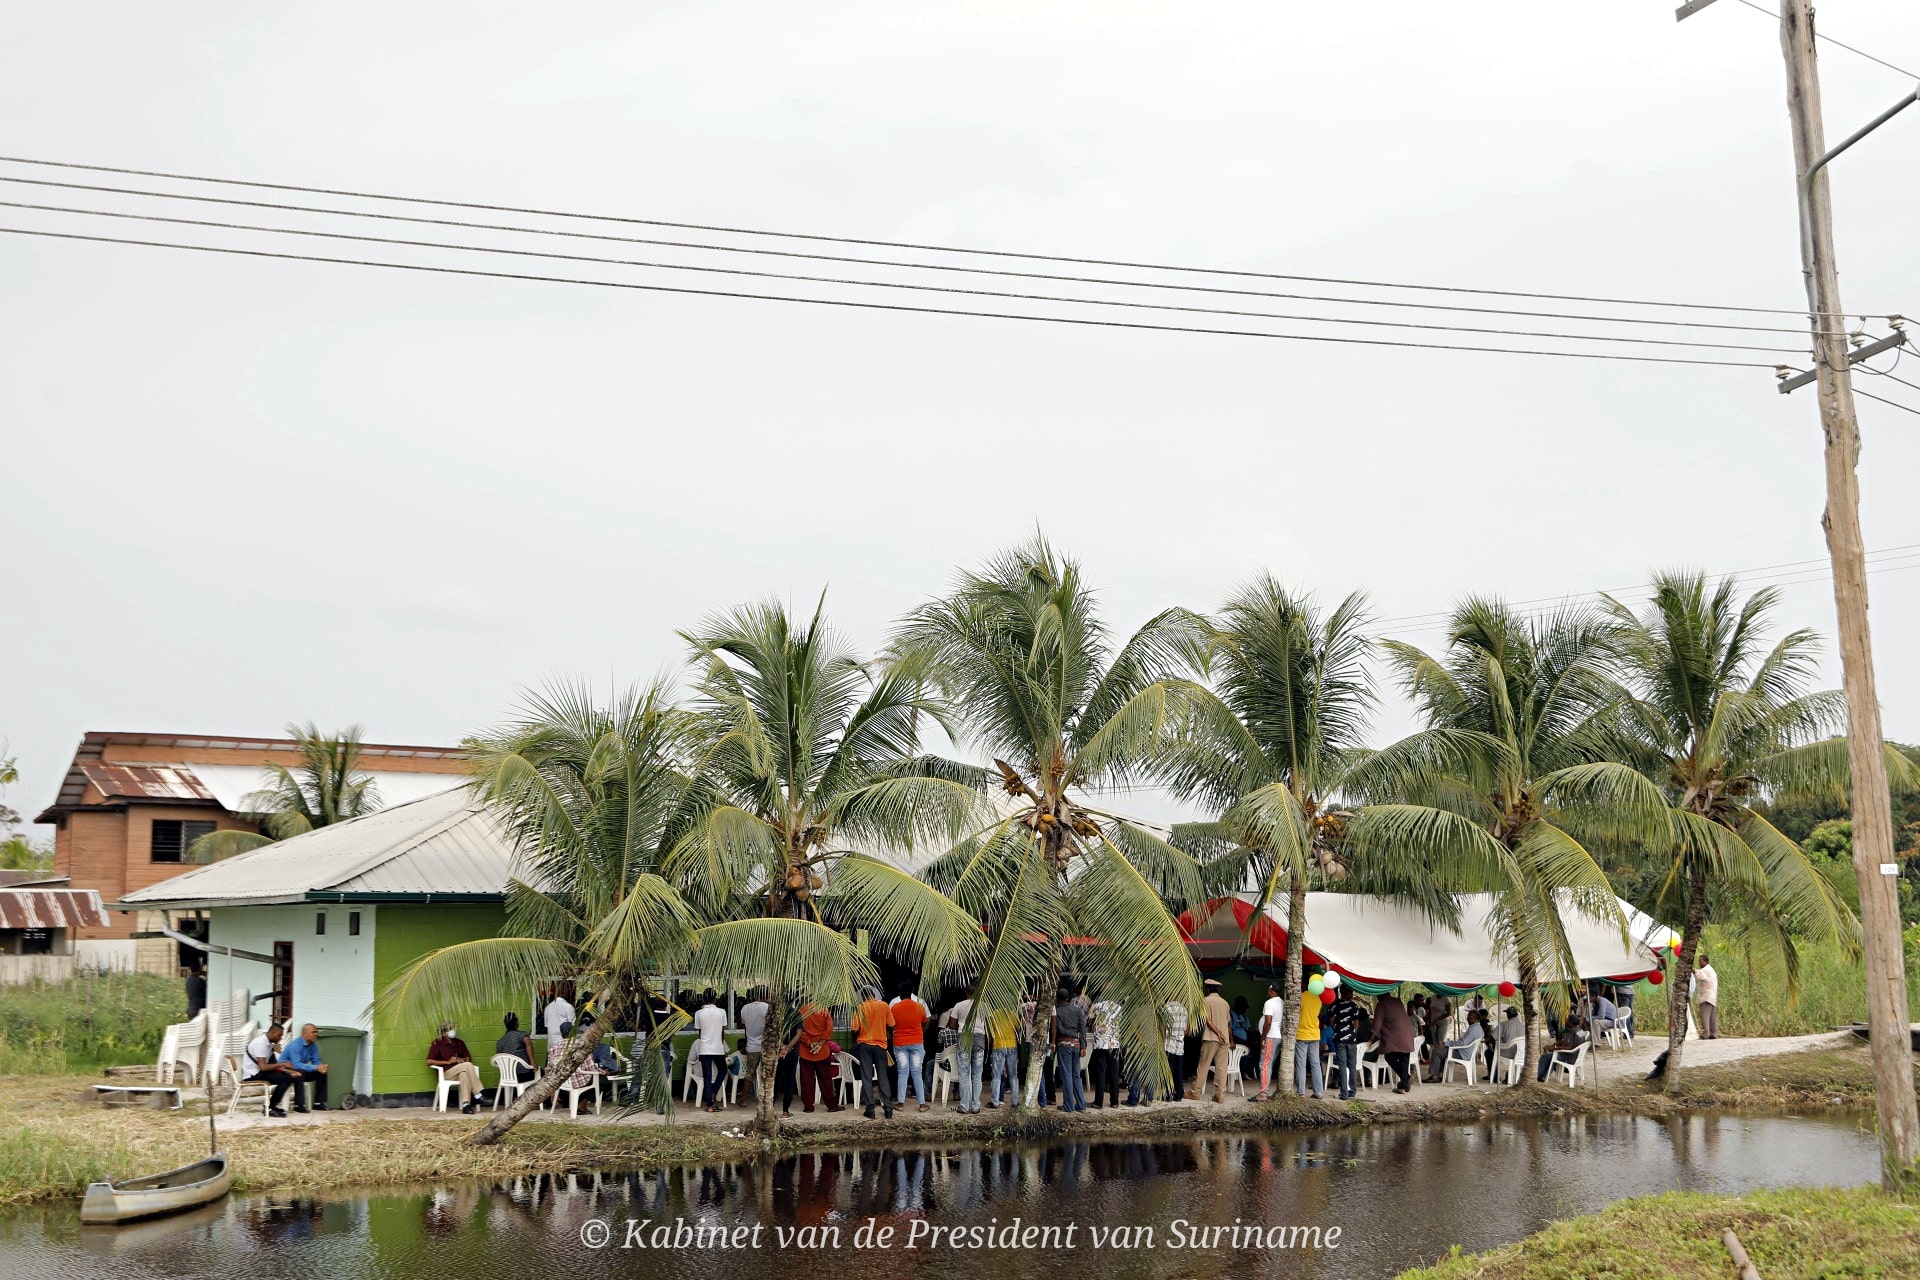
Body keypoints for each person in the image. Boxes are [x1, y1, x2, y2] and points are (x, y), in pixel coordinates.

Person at [1187, 978, 1232, 1104]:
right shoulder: (1225, 1003)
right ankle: (1220, 1095)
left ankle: (1195, 1092)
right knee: (1222, 1067)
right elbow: (1228, 1023)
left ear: (1207, 989)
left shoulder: (1205, 1001)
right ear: (1218, 990)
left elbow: (1206, 1020)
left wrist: (1217, 1032)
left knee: (1204, 1065)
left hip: (1211, 1037)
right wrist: (1225, 1036)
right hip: (1225, 1039)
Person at [853, 986, 895, 1119]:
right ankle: (888, 1108)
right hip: (880, 1045)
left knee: (866, 1076)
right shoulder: (884, 1005)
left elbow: (854, 1029)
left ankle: (870, 1109)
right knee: (883, 1076)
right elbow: (892, 1024)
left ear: (863, 997)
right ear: (873, 995)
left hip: (864, 1045)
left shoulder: (860, 1008)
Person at [427, 1021, 485, 1114]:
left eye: (453, 1029)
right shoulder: (437, 1043)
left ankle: (466, 1105)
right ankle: (477, 1094)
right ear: (443, 1032)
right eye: (450, 1029)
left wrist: (461, 1060)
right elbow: (429, 1061)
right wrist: (448, 1061)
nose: (453, 1031)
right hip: (446, 1072)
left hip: (460, 1069)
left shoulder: (459, 1042)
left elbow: (468, 1058)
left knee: (464, 1074)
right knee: (468, 1066)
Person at [943, 995, 988, 1114]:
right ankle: (976, 1106)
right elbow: (988, 1025)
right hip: (979, 1040)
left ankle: (963, 1106)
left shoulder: (959, 1005)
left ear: (966, 992)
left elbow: (951, 1025)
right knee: (977, 1075)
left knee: (963, 1074)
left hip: (964, 1039)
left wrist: (961, 1026)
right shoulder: (983, 1005)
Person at [796, 1002, 841, 1113]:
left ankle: (808, 1106)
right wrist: (820, 1043)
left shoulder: (801, 1010)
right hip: (823, 1050)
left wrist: (810, 1043)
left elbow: (800, 1032)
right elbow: (829, 1028)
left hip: (806, 1051)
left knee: (806, 1080)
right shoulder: (823, 1009)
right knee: (826, 1079)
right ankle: (831, 1105)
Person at [890, 990, 929, 1112]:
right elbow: (925, 1021)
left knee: (902, 1073)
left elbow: (891, 1024)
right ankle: (922, 1104)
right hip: (916, 1042)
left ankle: (900, 1104)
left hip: (900, 1043)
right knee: (917, 1073)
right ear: (911, 993)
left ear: (900, 995)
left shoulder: (895, 1007)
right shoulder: (919, 1006)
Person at [693, 992, 730, 1112]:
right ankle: (714, 1091)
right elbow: (722, 1031)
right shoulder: (721, 1012)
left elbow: (699, 1032)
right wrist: (721, 1045)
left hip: (704, 1048)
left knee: (707, 1075)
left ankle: (709, 1104)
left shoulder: (698, 1013)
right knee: (723, 1069)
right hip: (717, 1047)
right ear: (714, 999)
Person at [1053, 988, 1088, 1112]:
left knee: (1067, 1076)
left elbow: (1060, 1030)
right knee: (1076, 1076)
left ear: (1057, 998)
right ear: (1068, 998)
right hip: (1077, 1046)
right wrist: (1083, 1045)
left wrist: (1071, 1035)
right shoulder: (1077, 1010)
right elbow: (1083, 1029)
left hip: (1064, 1045)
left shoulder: (1057, 1012)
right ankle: (1081, 1104)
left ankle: (1068, 1106)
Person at [1429, 1008, 1487, 1082]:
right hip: (1466, 1052)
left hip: (1462, 1053)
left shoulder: (1473, 1029)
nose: (1467, 1019)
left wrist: (1446, 1043)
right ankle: (1440, 1075)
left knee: (1437, 1051)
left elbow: (1462, 1043)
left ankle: (1435, 1076)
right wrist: (1448, 1044)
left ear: (1475, 1019)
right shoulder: (1478, 1028)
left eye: (1469, 1017)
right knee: (1442, 1051)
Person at [1374, 991, 1415, 1094]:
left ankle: (1406, 1079)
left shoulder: (1381, 1004)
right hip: (1408, 1034)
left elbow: (1377, 1024)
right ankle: (1402, 1086)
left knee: (1389, 1056)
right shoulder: (1397, 1001)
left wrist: (1371, 1037)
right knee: (1404, 1060)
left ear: (1381, 995)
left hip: (1396, 1036)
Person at [1088, 995, 1122, 1108]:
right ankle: (1115, 1101)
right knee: (1114, 1072)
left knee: (1100, 1072)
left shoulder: (1097, 1006)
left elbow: (1089, 1020)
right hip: (1114, 1043)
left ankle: (1098, 1101)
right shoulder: (1119, 1007)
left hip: (1100, 1043)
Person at [1326, 988, 1361, 1100]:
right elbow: (1356, 1025)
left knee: (1342, 1066)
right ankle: (1352, 1092)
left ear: (1341, 993)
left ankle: (1344, 1093)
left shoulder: (1334, 1005)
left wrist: (1337, 1030)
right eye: (1351, 993)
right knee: (1352, 1066)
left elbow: (1331, 1023)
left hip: (1339, 1039)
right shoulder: (1354, 1006)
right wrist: (1352, 1034)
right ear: (1349, 993)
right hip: (1351, 1040)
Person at [1536, 1014, 1590, 1083]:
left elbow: (1569, 1047)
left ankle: (1538, 1074)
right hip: (1577, 1055)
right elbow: (1575, 1041)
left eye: (1567, 1020)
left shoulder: (1572, 1031)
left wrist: (1555, 1048)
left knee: (1545, 1057)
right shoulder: (1580, 1030)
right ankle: (1543, 1075)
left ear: (1570, 1022)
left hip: (1569, 1056)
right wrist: (1560, 1042)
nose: (1565, 1021)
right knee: (1551, 1056)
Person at [739, 988, 770, 1102]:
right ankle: (766, 1099)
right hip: (767, 1047)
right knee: (767, 1074)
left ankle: (745, 1098)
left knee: (750, 1073)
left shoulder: (745, 1008)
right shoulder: (768, 1008)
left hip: (752, 1046)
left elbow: (745, 1027)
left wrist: (746, 1043)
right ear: (766, 995)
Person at [1295, 980, 1325, 1099]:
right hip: (1315, 1034)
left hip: (1302, 1034)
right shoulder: (1318, 999)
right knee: (1315, 1064)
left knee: (1301, 1065)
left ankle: (1301, 1092)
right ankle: (1318, 1092)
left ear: (1304, 985)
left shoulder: (1300, 997)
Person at [987, 1005, 1021, 1107]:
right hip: (1012, 1046)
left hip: (998, 1045)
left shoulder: (993, 1014)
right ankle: (1015, 1102)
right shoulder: (1013, 1014)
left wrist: (990, 1048)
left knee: (996, 1075)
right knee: (1013, 1076)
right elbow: (1018, 1030)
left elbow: (990, 1033)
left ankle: (995, 1102)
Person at [1255, 982, 1284, 1101]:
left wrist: (1263, 1037)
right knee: (1269, 1063)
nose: (1267, 992)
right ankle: (1264, 1091)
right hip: (1278, 1036)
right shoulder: (1282, 1002)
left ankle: (1263, 1093)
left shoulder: (1269, 1003)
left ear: (1272, 991)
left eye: (1268, 991)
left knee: (1265, 1065)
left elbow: (1268, 1022)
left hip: (1271, 1036)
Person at [1161, 998, 1188, 1103]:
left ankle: (1167, 1095)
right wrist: (1179, 1036)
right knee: (1178, 1070)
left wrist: (1164, 1039)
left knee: (1168, 1071)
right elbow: (1187, 1030)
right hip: (1180, 1045)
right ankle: (1179, 1094)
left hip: (1168, 1045)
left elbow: (1163, 1027)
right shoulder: (1184, 1009)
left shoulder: (1166, 1008)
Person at [542, 987, 575, 1059]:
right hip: (563, 1046)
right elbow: (572, 1027)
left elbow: (547, 1026)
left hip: (551, 1044)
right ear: (565, 994)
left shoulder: (548, 1008)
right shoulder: (568, 1007)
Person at [1494, 1006, 1525, 1081]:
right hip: (1521, 1053)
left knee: (1489, 1052)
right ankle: (1510, 1075)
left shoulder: (1503, 1024)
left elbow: (1493, 1037)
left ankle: (1495, 1077)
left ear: (1508, 1015)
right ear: (1517, 1015)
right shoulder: (1523, 1026)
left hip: (1507, 1052)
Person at [1694, 955, 1719, 1040]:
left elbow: (1701, 976)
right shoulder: (1710, 969)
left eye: (1700, 961)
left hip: (1706, 996)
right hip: (1711, 996)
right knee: (1711, 1016)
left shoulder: (1706, 969)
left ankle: (1705, 1034)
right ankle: (1713, 1033)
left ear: (1705, 961)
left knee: (1704, 1015)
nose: (1699, 963)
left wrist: (1694, 971)